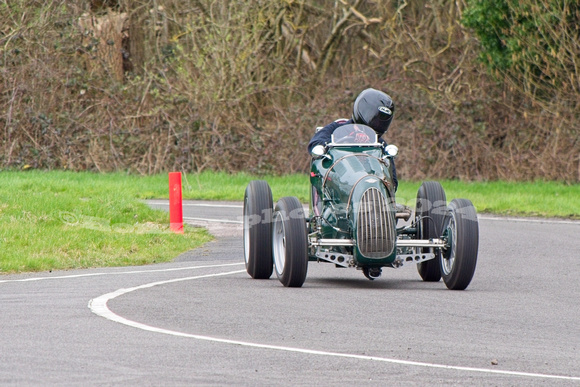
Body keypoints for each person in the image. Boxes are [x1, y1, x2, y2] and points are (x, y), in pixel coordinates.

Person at [308, 88, 398, 191]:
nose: (378, 124)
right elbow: (315, 143)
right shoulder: (336, 128)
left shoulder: (379, 143)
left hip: (370, 188)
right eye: (375, 118)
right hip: (340, 183)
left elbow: (393, 179)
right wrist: (341, 141)